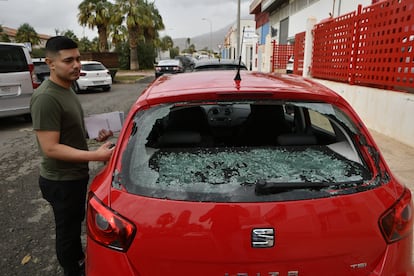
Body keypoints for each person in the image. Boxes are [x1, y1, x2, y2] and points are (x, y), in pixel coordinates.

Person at [30, 36, 114, 276]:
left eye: (78, 59)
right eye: (68, 60)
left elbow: (67, 130)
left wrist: (95, 135)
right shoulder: (47, 97)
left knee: (74, 224)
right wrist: (96, 156)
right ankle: (73, 269)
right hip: (60, 180)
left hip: (72, 176)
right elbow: (51, 148)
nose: (76, 65)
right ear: (50, 63)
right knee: (67, 232)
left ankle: (77, 261)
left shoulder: (67, 88)